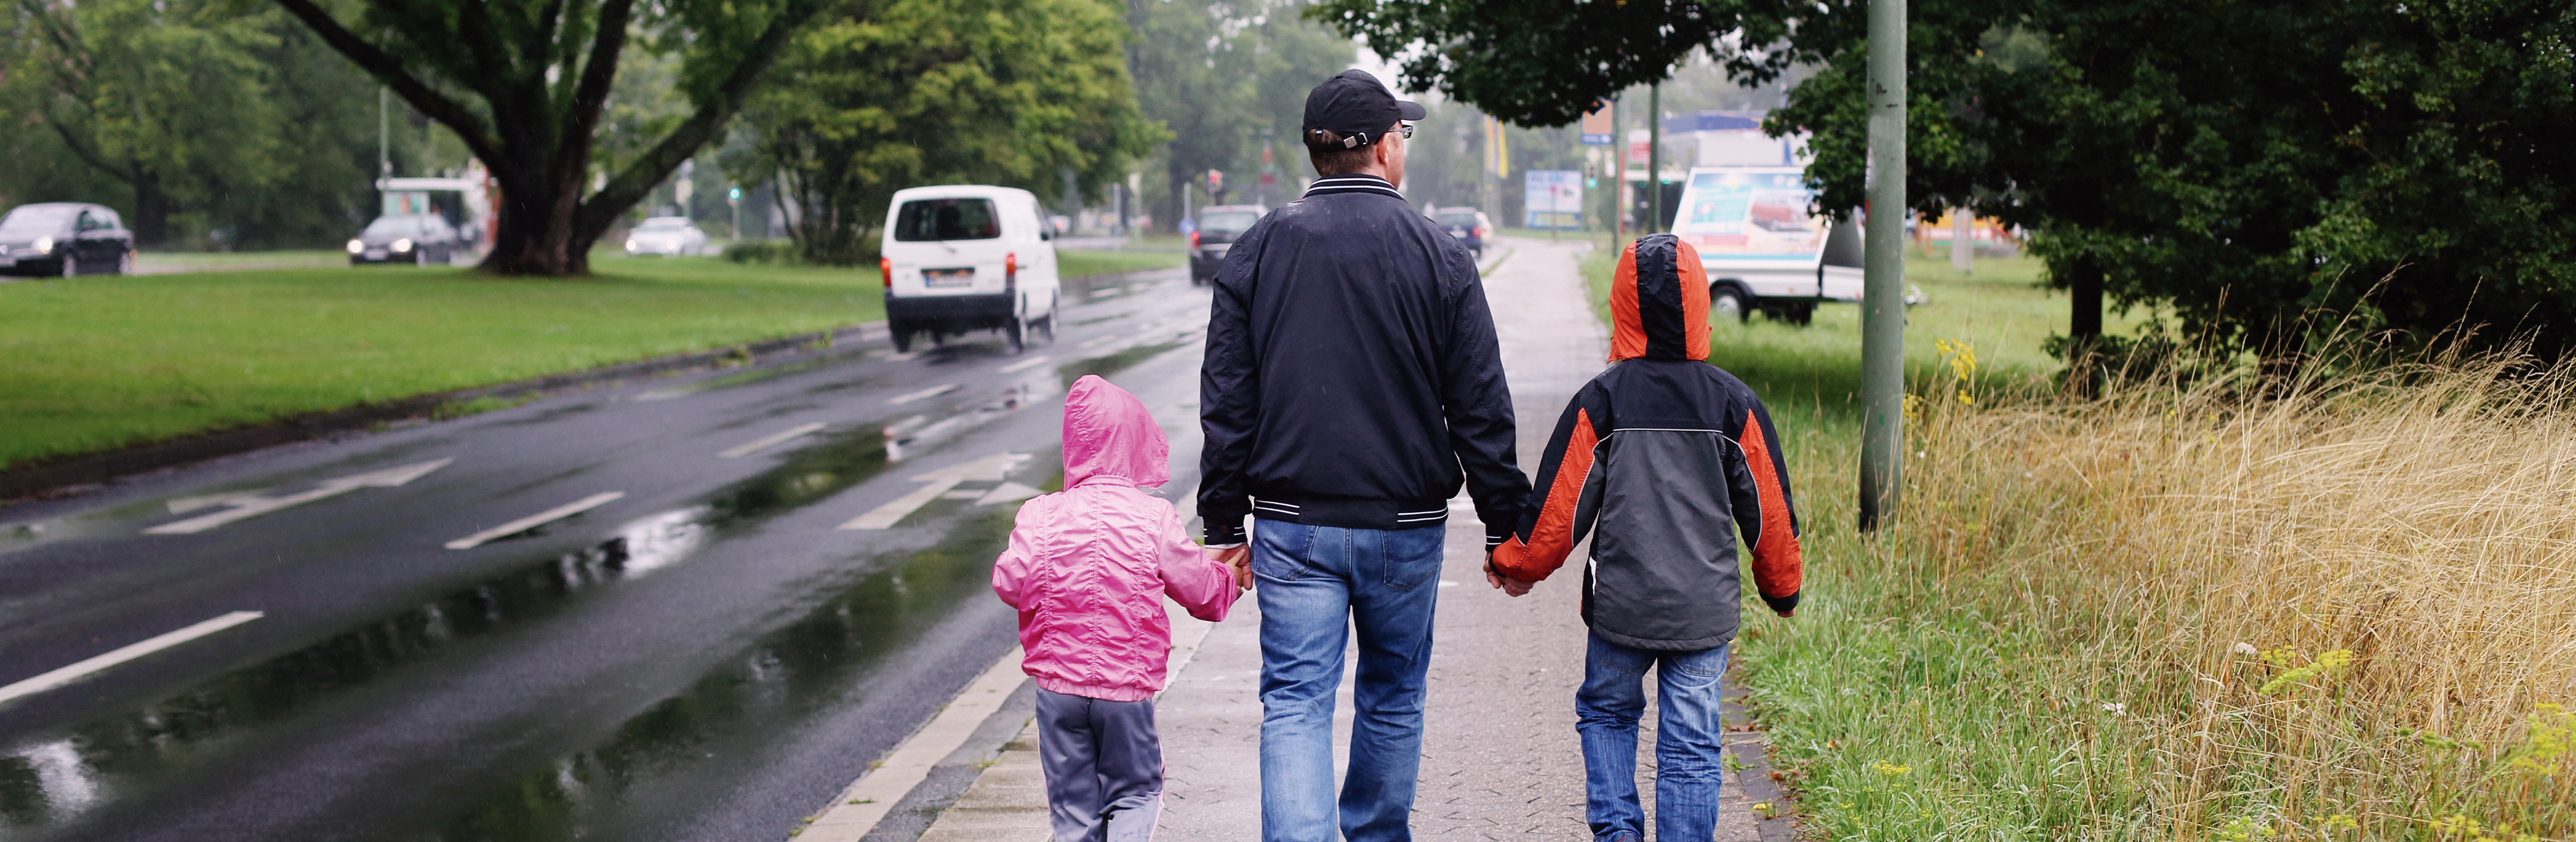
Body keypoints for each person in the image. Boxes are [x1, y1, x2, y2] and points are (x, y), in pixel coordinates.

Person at [1198, 69, 1533, 842]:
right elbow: (1480, 405)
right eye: (1401, 134)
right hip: (1404, 525)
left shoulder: (1258, 250)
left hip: (1292, 523)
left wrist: (1222, 523)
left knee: (1294, 701)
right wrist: (1503, 524)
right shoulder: (1440, 255)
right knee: (1393, 694)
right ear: (1384, 147)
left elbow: (1228, 399)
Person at [1485, 234, 1806, 842]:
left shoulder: (1603, 400)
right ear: (1701, 302)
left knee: (1607, 713)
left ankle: (1617, 834)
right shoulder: (1732, 403)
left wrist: (1515, 565)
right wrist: (1782, 588)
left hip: (1621, 606)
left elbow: (1559, 508)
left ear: (1622, 306)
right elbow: (1768, 513)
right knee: (1691, 746)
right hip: (1701, 610)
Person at [992, 374, 1251, 842]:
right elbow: (1200, 591)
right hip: (1125, 691)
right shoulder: (1152, 516)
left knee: (1072, 806)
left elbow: (1010, 582)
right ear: (1135, 441)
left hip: (1058, 690)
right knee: (1136, 793)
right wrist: (1228, 579)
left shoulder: (1040, 514)